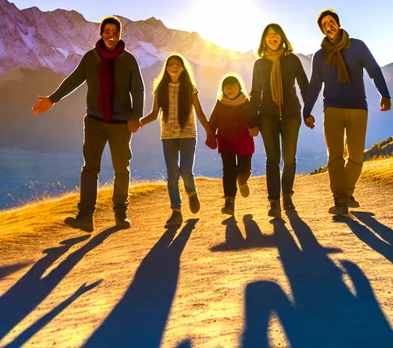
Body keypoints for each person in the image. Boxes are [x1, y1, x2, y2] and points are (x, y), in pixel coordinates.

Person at [33, 16, 144, 231]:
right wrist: (52, 99)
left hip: (121, 124)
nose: (111, 36)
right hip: (94, 122)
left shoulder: (128, 60)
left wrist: (135, 117)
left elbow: (138, 90)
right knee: (90, 169)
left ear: (120, 35)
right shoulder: (90, 58)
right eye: (107, 31)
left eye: (115, 32)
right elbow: (74, 79)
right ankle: (85, 217)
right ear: (101, 33)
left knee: (121, 168)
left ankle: (121, 213)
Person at [302, 9, 392, 219]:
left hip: (358, 108)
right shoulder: (320, 56)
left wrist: (385, 94)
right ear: (322, 30)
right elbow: (315, 85)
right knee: (335, 156)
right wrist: (307, 111)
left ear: (339, 25)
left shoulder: (357, 47)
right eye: (324, 24)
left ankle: (347, 192)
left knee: (356, 156)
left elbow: (374, 71)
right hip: (332, 108)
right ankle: (340, 200)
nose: (328, 26)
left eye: (331, 22)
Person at [140, 54, 212, 228]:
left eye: (177, 64)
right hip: (168, 137)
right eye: (171, 64)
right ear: (166, 68)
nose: (174, 67)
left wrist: (210, 132)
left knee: (186, 171)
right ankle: (176, 212)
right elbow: (154, 113)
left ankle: (192, 193)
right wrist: (139, 122)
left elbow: (200, 113)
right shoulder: (161, 89)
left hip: (188, 135)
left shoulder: (190, 88)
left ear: (183, 67)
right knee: (172, 174)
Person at [249, 23, 310, 219]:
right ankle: (274, 202)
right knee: (273, 159)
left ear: (282, 37)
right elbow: (255, 94)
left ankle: (287, 196)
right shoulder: (259, 64)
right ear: (264, 39)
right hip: (267, 116)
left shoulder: (292, 60)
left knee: (290, 158)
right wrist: (252, 121)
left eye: (276, 34)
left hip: (292, 114)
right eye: (269, 35)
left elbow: (304, 86)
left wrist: (307, 112)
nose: (272, 37)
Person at [206, 74, 258, 216]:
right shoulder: (220, 103)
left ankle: (242, 181)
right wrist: (210, 136)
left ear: (239, 87)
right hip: (226, 141)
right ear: (222, 90)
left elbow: (254, 118)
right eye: (226, 87)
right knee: (228, 171)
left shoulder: (246, 102)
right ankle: (229, 202)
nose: (230, 89)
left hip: (244, 141)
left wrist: (255, 127)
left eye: (233, 86)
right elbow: (213, 121)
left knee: (244, 169)